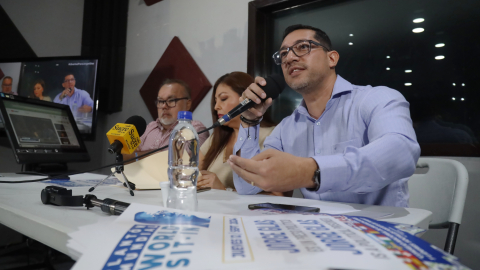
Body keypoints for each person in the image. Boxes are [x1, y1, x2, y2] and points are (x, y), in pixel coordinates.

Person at [228, 24, 420, 207]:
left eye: (302, 47)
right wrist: (250, 120)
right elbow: (247, 186)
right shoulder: (286, 128)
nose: (289, 58)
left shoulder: (376, 98)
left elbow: (401, 152)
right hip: (315, 231)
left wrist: (310, 171)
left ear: (332, 58)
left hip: (380, 233)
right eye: (284, 53)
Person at [197, 72, 275, 190]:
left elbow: (278, 197)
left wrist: (223, 190)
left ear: (246, 99)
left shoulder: (272, 135)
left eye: (223, 99)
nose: (216, 107)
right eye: (215, 101)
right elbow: (192, 172)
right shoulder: (216, 137)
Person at [123, 79, 209, 161]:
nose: (164, 106)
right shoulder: (149, 127)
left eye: (171, 100)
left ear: (188, 104)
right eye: (160, 101)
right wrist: (156, 153)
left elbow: (180, 161)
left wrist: (139, 154)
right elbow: (124, 158)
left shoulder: (196, 129)